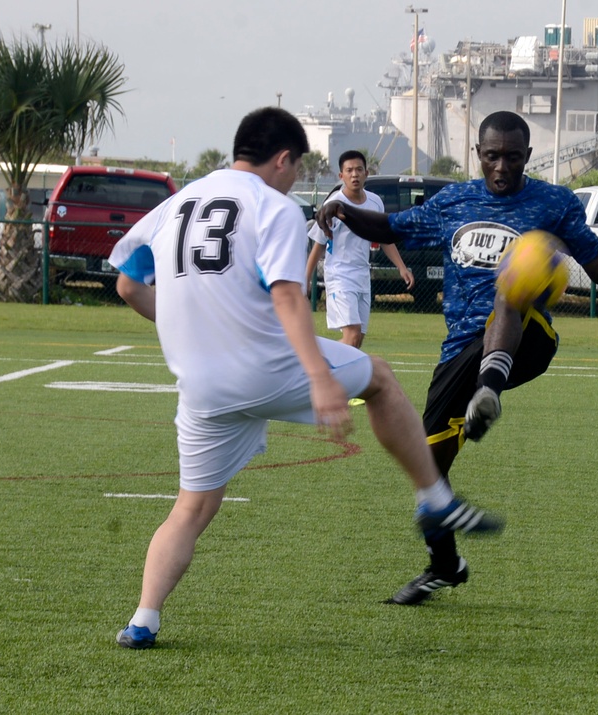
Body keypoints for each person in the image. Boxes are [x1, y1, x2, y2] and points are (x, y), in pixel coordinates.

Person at [109, 107, 503, 649]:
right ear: (282, 158)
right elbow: (288, 295)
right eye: (296, 168)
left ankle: (143, 620)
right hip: (264, 364)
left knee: (191, 508)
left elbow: (129, 288)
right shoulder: (271, 205)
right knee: (382, 380)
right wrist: (318, 375)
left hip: (201, 384)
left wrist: (192, 324)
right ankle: (434, 495)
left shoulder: (176, 203)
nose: (296, 178)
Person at [318, 110, 598, 604]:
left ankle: (488, 392)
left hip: (527, 338)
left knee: (512, 284)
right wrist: (341, 210)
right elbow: (390, 227)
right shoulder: (455, 201)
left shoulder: (553, 202)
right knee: (427, 465)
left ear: (528, 157)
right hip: (459, 350)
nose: (502, 166)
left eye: (512, 156)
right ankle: (445, 566)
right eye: (492, 156)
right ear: (479, 156)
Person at [305, 150, 414, 348]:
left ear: (366, 173)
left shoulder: (375, 202)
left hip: (362, 276)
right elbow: (319, 244)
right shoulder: (332, 205)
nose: (354, 174)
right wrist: (305, 278)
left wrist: (402, 267)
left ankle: (334, 375)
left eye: (358, 169)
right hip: (339, 275)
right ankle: (311, 361)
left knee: (356, 342)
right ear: (341, 176)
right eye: (349, 170)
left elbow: (384, 238)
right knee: (352, 334)